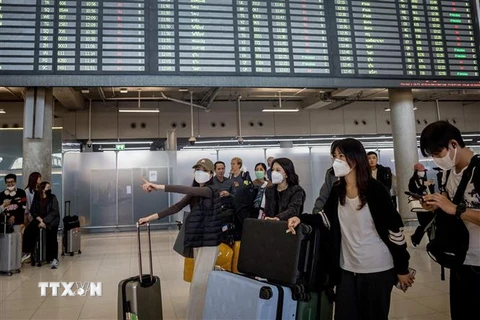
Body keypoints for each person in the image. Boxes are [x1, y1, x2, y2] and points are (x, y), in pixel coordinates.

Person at [288, 138, 413, 320]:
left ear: (354, 159)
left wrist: (402, 268)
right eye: (334, 156)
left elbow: (395, 232)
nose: (336, 161)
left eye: (341, 156)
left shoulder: (375, 190)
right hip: (347, 268)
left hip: (377, 268)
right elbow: (325, 219)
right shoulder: (338, 189)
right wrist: (300, 218)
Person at [138, 158, 225, 320]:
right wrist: (150, 217)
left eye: (204, 170)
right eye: (197, 169)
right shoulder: (195, 191)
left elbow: (184, 189)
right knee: (199, 282)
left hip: (210, 242)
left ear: (211, 174)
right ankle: (201, 313)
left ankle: (196, 316)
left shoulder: (211, 190)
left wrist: (158, 186)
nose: (199, 173)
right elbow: (176, 207)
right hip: (198, 240)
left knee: (200, 283)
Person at [419, 121, 480, 320]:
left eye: (438, 154)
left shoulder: (478, 171)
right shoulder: (448, 172)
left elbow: (454, 208)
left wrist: (455, 209)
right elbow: (448, 202)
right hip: (460, 258)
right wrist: (436, 204)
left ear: (453, 144)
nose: (437, 160)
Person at [23, 182, 60, 269]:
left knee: (52, 237)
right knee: (28, 230)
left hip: (51, 221)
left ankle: (54, 258)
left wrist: (45, 221)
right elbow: (33, 210)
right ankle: (28, 252)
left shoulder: (52, 197)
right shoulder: (37, 197)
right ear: (42, 189)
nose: (49, 189)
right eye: (48, 187)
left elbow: (54, 212)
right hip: (39, 219)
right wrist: (40, 219)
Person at [409, 163, 436, 247]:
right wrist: (424, 186)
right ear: (416, 171)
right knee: (425, 224)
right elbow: (415, 193)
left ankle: (431, 241)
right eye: (420, 171)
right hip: (420, 205)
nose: (422, 172)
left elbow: (431, 192)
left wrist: (431, 186)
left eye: (423, 171)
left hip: (429, 203)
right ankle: (415, 239)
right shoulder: (412, 181)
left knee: (430, 223)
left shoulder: (425, 179)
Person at [312, 141, 339, 214]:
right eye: (334, 156)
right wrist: (316, 214)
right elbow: (323, 197)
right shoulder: (331, 174)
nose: (337, 159)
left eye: (341, 156)